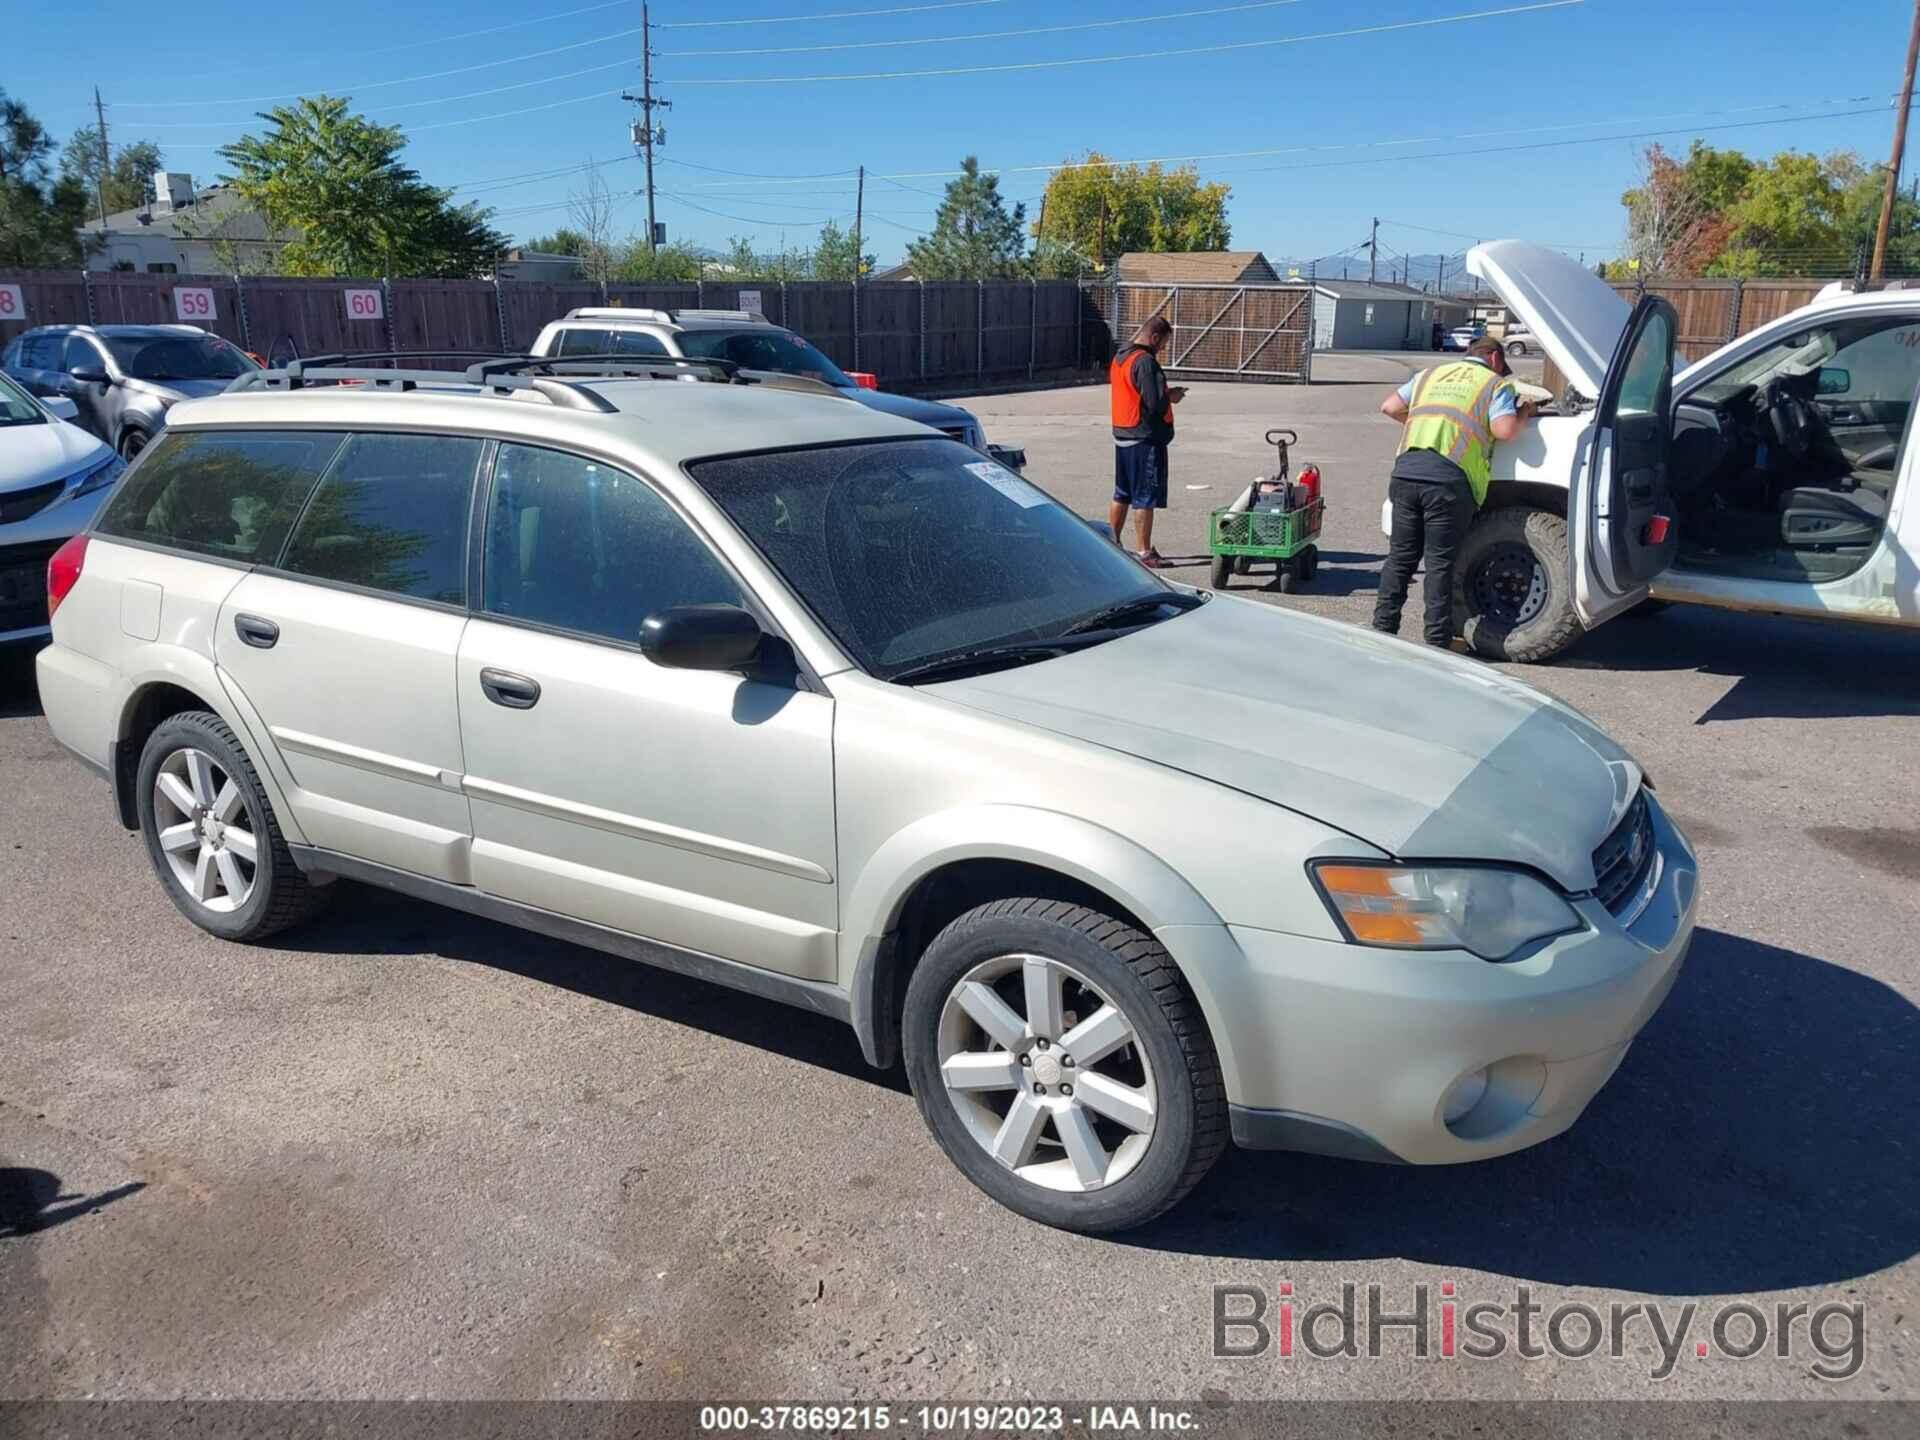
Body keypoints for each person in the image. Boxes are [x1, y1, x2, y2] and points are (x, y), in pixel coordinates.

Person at [1372, 335, 1535, 647]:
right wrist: (1524, 412)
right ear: (1496, 359)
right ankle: (1436, 641)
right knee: (1439, 564)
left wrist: (1424, 424)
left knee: (1401, 558)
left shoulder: (1428, 375)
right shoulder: (1495, 385)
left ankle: (1383, 630)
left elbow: (1389, 407)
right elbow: (1505, 430)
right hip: (1448, 482)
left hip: (1406, 473)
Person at [1108, 317, 1186, 567]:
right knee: (1144, 497)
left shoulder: (1120, 358)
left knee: (1122, 493)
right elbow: (1155, 402)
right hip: (1144, 438)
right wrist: (1171, 396)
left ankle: (1112, 542)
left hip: (1123, 434)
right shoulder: (1145, 362)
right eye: (1163, 343)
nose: (1163, 348)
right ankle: (1144, 553)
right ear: (1154, 337)